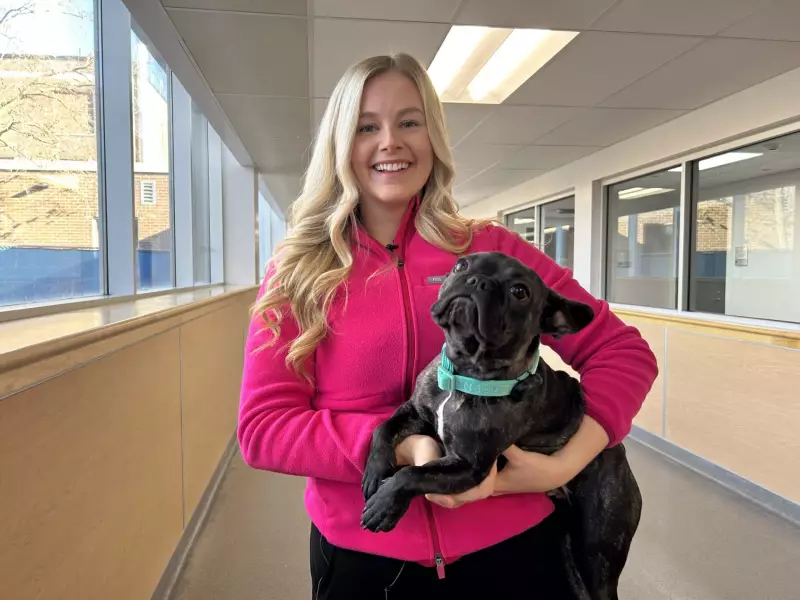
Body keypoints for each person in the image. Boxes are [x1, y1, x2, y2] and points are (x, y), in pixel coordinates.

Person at [238, 53, 658, 600]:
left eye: (409, 122)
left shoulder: (491, 251)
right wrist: (404, 446)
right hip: (366, 555)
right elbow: (263, 428)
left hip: (514, 548)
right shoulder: (297, 271)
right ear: (342, 144)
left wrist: (567, 462)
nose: (390, 141)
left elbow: (622, 350)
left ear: (433, 136)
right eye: (368, 126)